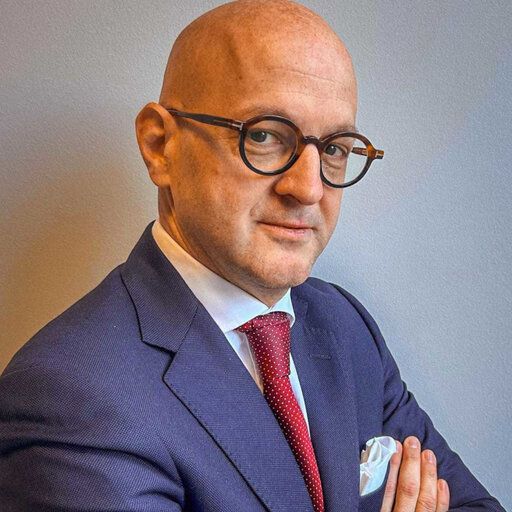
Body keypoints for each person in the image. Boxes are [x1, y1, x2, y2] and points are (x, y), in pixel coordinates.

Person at [0, 1, 505, 511]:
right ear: (160, 146)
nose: (308, 188)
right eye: (264, 135)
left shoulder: (345, 326)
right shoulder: (72, 397)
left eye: (334, 148)